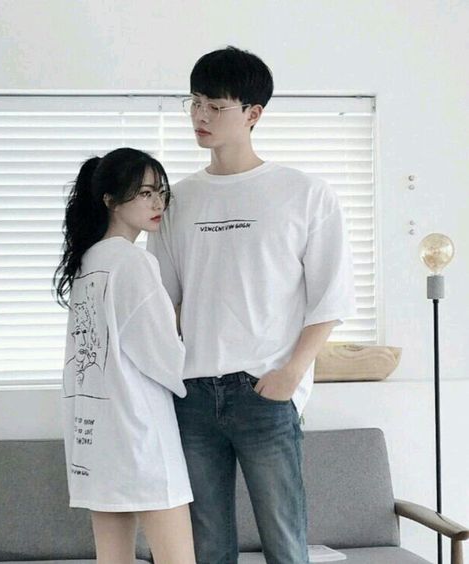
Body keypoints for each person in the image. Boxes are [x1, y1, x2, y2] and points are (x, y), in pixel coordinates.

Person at [147, 46, 356, 564]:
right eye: (195, 102)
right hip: (192, 393)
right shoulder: (177, 201)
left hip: (265, 390)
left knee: (285, 544)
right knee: (208, 547)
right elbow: (162, 302)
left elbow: (330, 297)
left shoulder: (303, 192)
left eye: (216, 106)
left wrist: (291, 374)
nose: (200, 116)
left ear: (252, 113)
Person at [54, 147, 196, 564]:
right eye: (145, 193)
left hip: (95, 437)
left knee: (113, 559)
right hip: (140, 433)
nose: (158, 203)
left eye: (161, 193)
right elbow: (164, 358)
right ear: (111, 200)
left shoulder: (87, 263)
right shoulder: (133, 262)